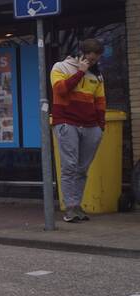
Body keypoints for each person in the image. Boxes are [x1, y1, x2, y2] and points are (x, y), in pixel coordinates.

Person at [51, 38, 106, 224]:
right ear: (81, 54)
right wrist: (80, 72)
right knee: (69, 167)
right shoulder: (60, 68)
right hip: (67, 123)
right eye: (90, 59)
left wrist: (101, 126)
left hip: (91, 126)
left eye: (95, 60)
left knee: (82, 169)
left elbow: (100, 102)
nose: (93, 63)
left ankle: (77, 205)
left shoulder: (97, 76)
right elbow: (61, 91)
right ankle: (70, 208)